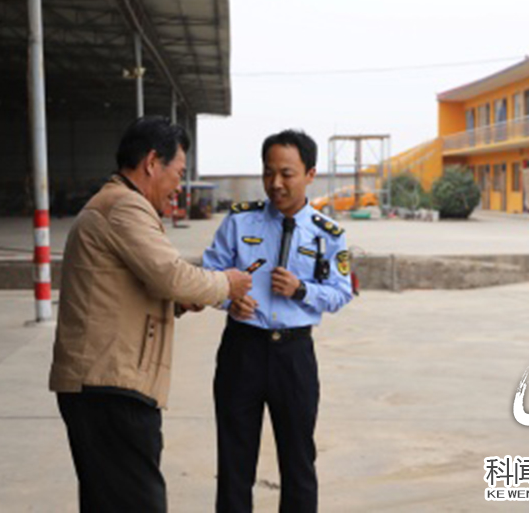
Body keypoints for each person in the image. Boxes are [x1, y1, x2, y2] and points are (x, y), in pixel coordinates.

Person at [50, 116, 253, 513]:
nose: (179, 185)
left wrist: (178, 302)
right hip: (109, 385)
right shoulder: (124, 206)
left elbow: (137, 286)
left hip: (102, 383)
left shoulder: (116, 203)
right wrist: (224, 284)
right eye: (178, 172)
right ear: (151, 162)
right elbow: (171, 275)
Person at [203, 129, 353, 513]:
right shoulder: (240, 222)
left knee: (298, 461)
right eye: (269, 172)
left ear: (310, 174)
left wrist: (302, 290)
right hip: (242, 349)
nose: (275, 183)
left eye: (287, 174)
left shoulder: (326, 234)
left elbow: (341, 292)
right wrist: (228, 299)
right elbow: (209, 273)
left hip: (293, 354)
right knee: (234, 461)